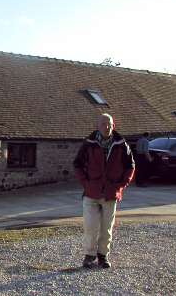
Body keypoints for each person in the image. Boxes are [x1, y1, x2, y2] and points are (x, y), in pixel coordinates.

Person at [73, 113, 135, 269]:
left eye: (109, 124)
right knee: (90, 226)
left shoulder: (122, 145)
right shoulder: (88, 144)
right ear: (97, 126)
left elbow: (130, 167)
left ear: (113, 126)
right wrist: (86, 184)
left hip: (110, 193)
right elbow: (77, 165)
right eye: (103, 124)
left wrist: (120, 186)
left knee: (107, 228)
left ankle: (102, 256)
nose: (106, 127)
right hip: (91, 193)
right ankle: (89, 255)